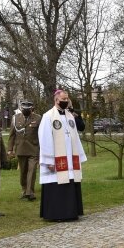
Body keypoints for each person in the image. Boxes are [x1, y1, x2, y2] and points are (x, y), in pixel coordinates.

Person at [38, 89, 87, 221]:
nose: (65, 102)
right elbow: (44, 139)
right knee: (57, 185)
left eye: (67, 99)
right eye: (63, 100)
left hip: (70, 158)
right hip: (56, 158)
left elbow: (75, 136)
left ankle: (71, 212)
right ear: (56, 100)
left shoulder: (70, 116)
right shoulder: (47, 116)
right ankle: (57, 214)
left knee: (70, 182)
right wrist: (48, 160)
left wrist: (79, 155)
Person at [8, 100, 40, 201]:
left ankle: (29, 192)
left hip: (33, 148)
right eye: (24, 109)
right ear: (21, 109)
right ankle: (24, 189)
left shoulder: (38, 118)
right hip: (21, 149)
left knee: (32, 170)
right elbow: (12, 134)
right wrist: (10, 149)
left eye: (28, 109)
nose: (25, 110)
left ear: (32, 109)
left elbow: (42, 135)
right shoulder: (16, 118)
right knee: (23, 172)